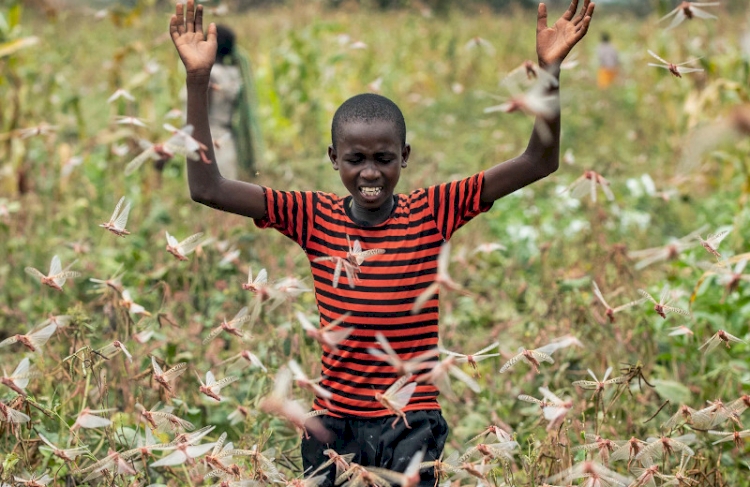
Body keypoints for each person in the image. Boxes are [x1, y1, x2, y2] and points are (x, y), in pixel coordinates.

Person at [169, 0, 594, 485]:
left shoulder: (435, 211)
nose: (370, 172)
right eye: (355, 159)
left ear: (405, 156)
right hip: (333, 426)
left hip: (410, 424)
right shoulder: (312, 216)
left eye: (383, 158)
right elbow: (207, 188)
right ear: (333, 158)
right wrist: (197, 80)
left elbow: (540, 160)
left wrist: (550, 71)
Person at [207, 24, 262, 179]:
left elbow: (200, 116)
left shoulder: (209, 76)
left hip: (209, 142)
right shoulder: (234, 73)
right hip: (227, 141)